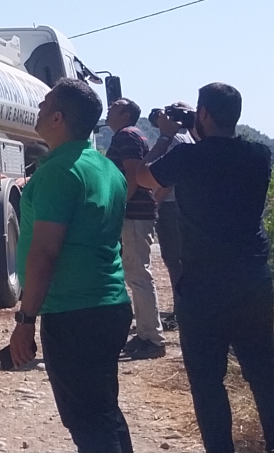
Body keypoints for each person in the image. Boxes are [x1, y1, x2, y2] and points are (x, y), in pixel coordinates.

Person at [137, 83, 274, 453]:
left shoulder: (187, 157)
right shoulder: (258, 154)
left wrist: (167, 135)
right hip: (252, 277)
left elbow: (143, 178)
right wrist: (199, 129)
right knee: (263, 369)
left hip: (203, 282)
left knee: (207, 380)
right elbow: (220, 156)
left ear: (204, 113)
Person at [5, 78, 134, 453]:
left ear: (58, 118)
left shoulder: (58, 172)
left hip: (74, 312)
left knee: (89, 423)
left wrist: (25, 320)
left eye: (45, 103)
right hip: (110, 304)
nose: (39, 108)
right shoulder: (107, 169)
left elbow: (45, 252)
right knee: (103, 412)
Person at [103, 98, 165, 359]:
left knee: (138, 275)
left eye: (115, 107)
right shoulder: (132, 135)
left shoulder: (127, 136)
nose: (109, 110)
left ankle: (152, 338)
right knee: (136, 274)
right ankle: (144, 334)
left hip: (134, 215)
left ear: (126, 114)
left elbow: (132, 175)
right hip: (138, 214)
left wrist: (118, 207)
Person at [146, 102, 197, 330]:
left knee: (174, 261)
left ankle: (180, 312)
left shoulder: (174, 139)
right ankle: (185, 309)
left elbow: (166, 180)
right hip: (182, 205)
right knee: (181, 262)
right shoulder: (188, 137)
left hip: (170, 206)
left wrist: (154, 204)